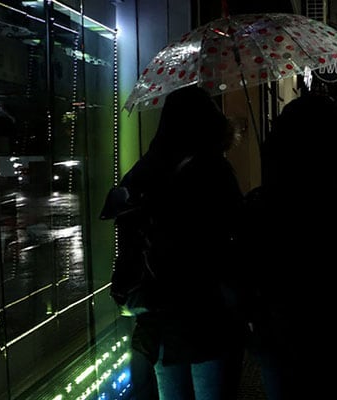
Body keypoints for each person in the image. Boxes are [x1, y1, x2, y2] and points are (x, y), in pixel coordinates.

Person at [103, 86, 244, 400]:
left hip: (158, 315)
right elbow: (237, 231)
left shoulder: (144, 172)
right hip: (207, 316)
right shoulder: (213, 171)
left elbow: (127, 240)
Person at [240, 95, 337, 400]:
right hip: (332, 350)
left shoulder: (261, 212)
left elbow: (243, 282)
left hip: (276, 344)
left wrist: (260, 333)